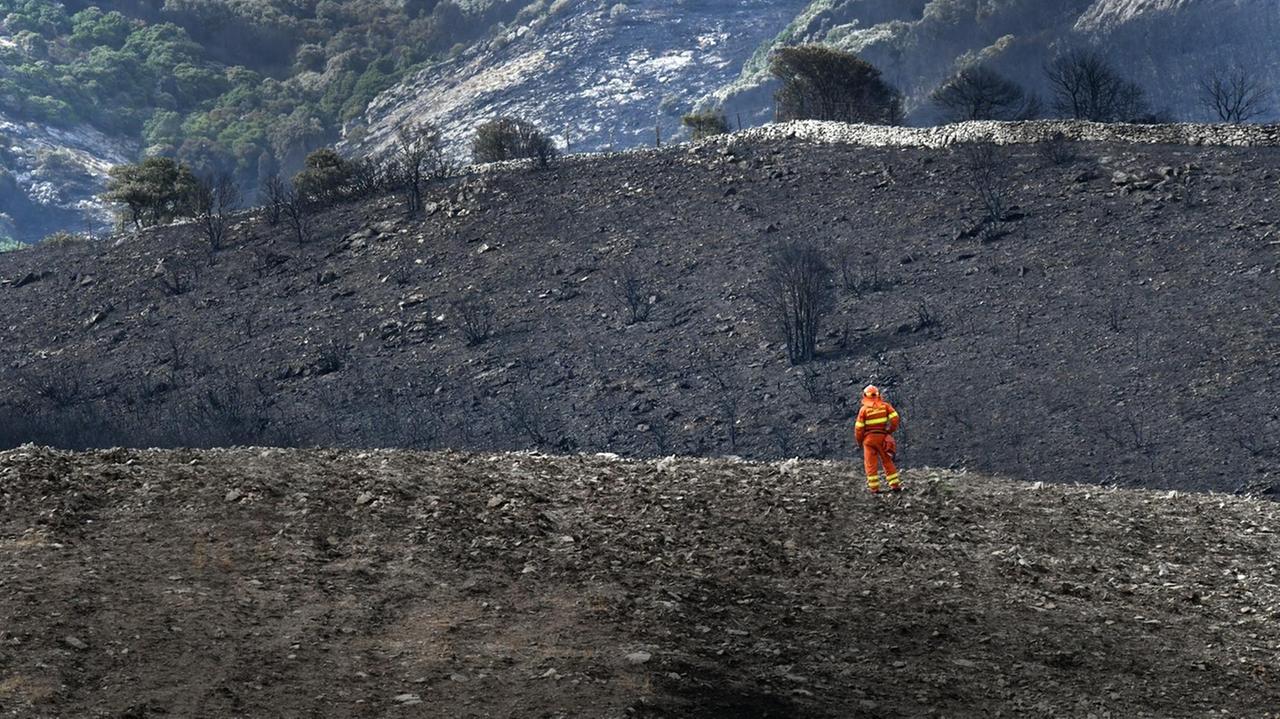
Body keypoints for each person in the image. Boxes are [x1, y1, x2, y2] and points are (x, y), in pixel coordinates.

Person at [854, 385, 901, 494]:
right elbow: (895, 418)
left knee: (870, 464)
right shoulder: (885, 406)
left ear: (865, 396)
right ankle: (895, 485)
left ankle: (874, 488)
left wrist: (859, 441)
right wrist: (889, 431)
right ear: (878, 395)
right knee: (887, 461)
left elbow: (859, 428)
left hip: (869, 440)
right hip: (882, 438)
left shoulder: (864, 410)